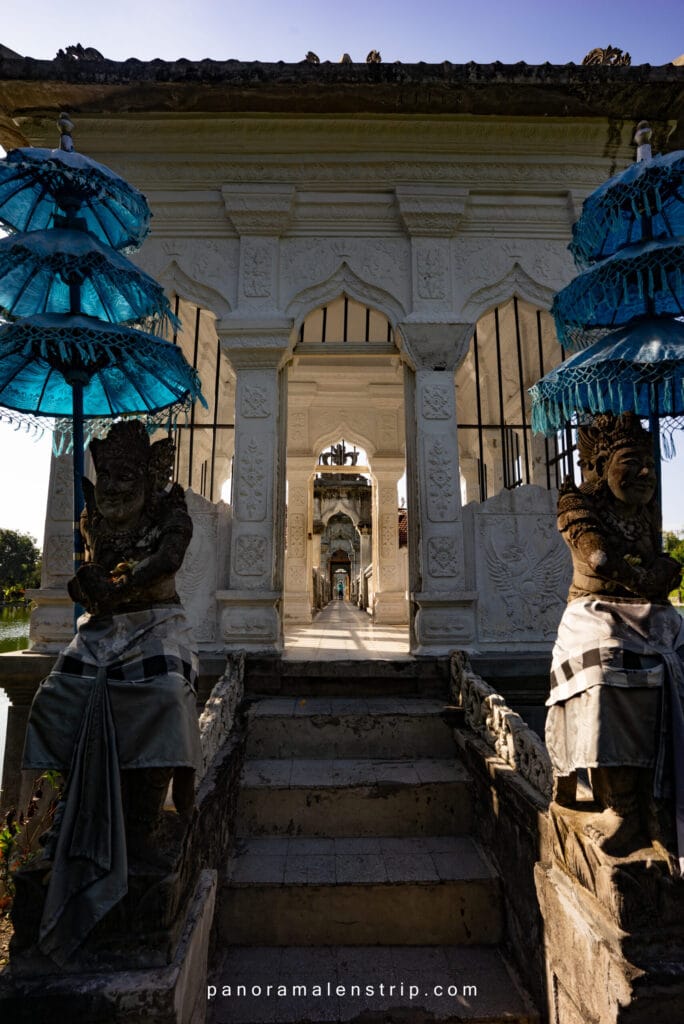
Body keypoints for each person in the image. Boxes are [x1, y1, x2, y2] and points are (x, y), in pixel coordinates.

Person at [21, 420, 201, 962]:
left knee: (165, 694)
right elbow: (87, 568)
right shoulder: (93, 512)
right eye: (106, 476)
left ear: (148, 478)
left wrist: (121, 581)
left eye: (126, 476)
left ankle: (144, 822)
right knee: (56, 696)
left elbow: (168, 561)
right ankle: (71, 817)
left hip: (157, 623)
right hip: (103, 629)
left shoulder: (171, 511)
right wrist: (85, 580)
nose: (114, 488)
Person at [546, 412, 683, 862]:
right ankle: (621, 804)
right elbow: (599, 558)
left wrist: (658, 572)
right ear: (602, 465)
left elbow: (664, 562)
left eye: (649, 463)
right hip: (594, 610)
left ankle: (663, 799)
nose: (646, 472)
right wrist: (644, 578)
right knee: (608, 670)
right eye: (631, 461)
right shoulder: (577, 504)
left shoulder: (643, 510)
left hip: (647, 612)